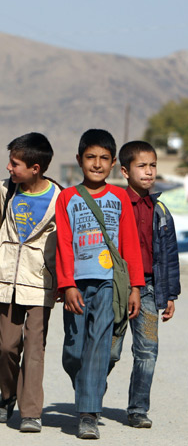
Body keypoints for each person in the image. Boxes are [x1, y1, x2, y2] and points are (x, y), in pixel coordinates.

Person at [55, 129, 145, 439]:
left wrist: (135, 286)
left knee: (98, 348)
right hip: (77, 284)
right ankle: (86, 387)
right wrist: (66, 285)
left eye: (104, 158)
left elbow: (130, 244)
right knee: (74, 351)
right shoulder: (67, 198)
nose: (97, 163)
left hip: (111, 283)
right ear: (79, 160)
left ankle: (88, 414)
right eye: (91, 157)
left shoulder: (120, 197)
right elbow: (64, 243)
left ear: (113, 162)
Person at [0, 132, 61, 433]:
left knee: (35, 348)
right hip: (4, 279)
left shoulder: (58, 197)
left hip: (40, 282)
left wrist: (65, 281)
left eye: (15, 164)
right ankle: (8, 393)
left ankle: (31, 412)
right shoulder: (4, 190)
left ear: (35, 168)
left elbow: (64, 243)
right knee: (7, 348)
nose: (8, 168)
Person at [109, 140, 180, 428]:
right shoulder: (114, 204)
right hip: (117, 287)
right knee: (110, 350)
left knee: (147, 350)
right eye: (142, 166)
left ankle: (138, 409)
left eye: (153, 166)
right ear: (125, 171)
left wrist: (170, 293)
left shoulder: (160, 210)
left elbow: (170, 255)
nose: (149, 171)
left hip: (149, 288)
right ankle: (90, 399)